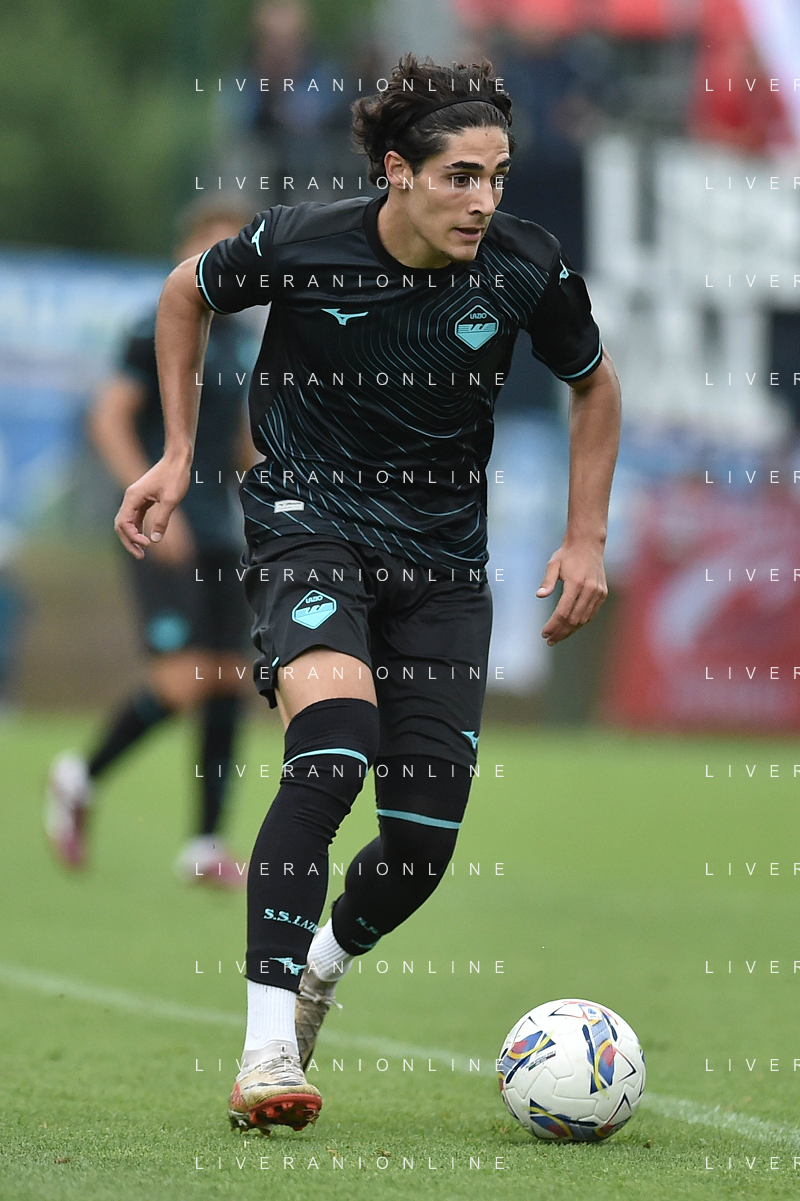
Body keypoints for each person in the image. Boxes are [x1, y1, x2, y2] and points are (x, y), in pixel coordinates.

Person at [114, 54, 621, 1133]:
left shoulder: (525, 265)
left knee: (420, 846)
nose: (483, 200)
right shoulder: (303, 242)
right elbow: (185, 291)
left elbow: (593, 383)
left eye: (497, 176)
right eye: (460, 177)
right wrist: (175, 453)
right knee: (332, 743)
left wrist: (585, 534)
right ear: (397, 172)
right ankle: (265, 1052)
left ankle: (323, 965)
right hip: (310, 525)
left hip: (442, 566)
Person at [45, 199, 256, 889]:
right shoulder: (160, 324)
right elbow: (107, 417)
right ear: (185, 249)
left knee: (229, 678)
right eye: (212, 245)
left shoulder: (239, 339)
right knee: (181, 677)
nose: (226, 260)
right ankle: (80, 775)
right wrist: (151, 500)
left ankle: (205, 842)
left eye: (237, 247)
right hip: (164, 525)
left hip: (223, 531)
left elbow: (240, 444)